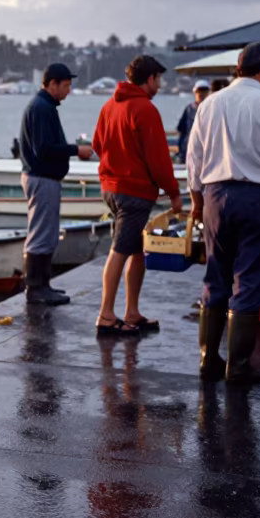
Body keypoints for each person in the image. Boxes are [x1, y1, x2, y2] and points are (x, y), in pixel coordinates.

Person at [187, 43, 260, 383]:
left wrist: (197, 201)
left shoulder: (210, 103)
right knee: (249, 279)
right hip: (257, 198)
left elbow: (193, 159)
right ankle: (237, 368)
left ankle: (209, 362)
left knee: (215, 276)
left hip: (215, 196)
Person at [91, 55, 182, 335]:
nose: (160, 84)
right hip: (134, 192)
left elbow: (96, 144)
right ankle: (106, 315)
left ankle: (132, 311)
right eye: (159, 79)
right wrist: (174, 193)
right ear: (151, 78)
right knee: (120, 250)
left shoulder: (109, 105)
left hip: (111, 187)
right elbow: (159, 159)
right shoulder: (145, 109)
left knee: (136, 251)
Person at [18, 63, 93, 305]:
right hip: (42, 178)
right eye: (66, 86)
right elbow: (44, 149)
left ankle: (43, 285)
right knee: (41, 234)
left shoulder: (44, 106)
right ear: (52, 84)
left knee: (47, 233)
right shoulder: (41, 108)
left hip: (43, 178)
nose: (69, 91)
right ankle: (35, 288)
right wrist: (75, 149)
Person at [177, 79, 211, 161]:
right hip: (189, 148)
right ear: (195, 92)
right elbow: (181, 129)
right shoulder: (189, 109)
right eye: (199, 91)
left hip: (207, 148)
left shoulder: (212, 108)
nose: (201, 94)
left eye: (204, 91)